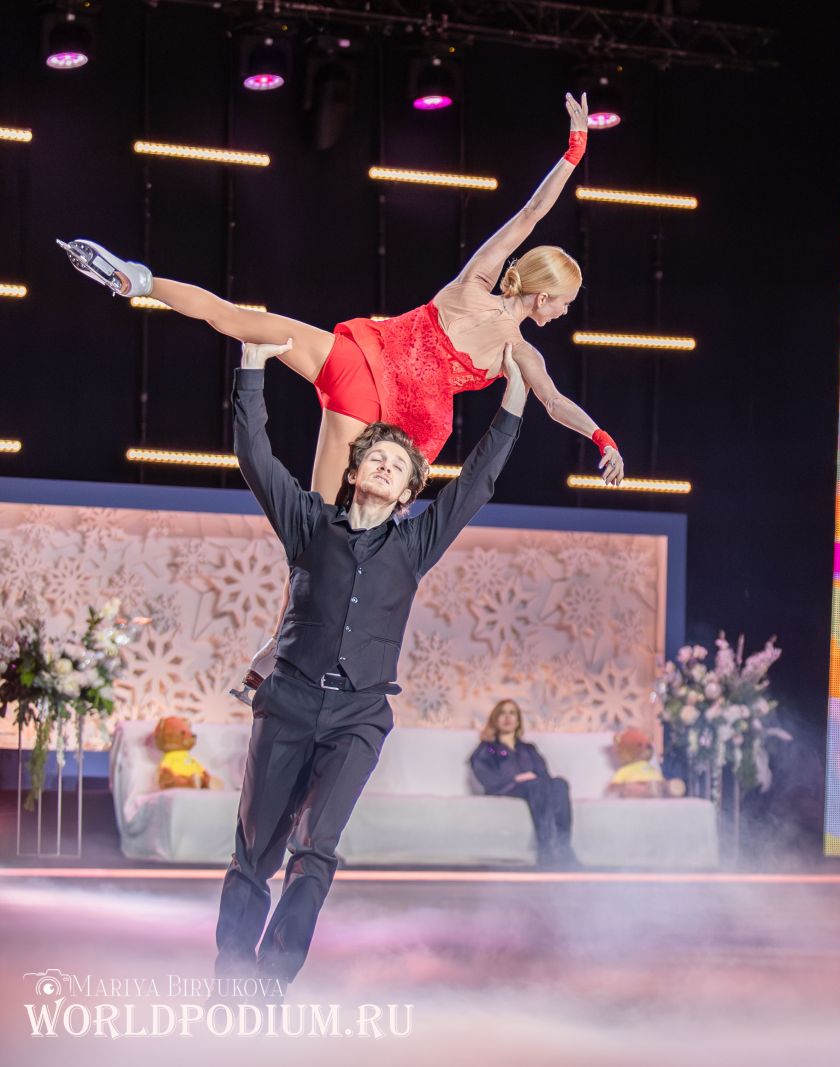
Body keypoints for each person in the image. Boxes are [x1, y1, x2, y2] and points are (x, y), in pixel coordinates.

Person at [59, 91, 622, 700]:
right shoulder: (517, 349)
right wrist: (601, 438)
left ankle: (138, 279)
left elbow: (530, 216)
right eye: (565, 303)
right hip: (390, 424)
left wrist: (573, 152)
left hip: (356, 365)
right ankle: (274, 654)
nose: (564, 313)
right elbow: (554, 400)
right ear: (544, 296)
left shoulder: (477, 283)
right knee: (321, 539)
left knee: (242, 323)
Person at [214, 337, 527, 991]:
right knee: (255, 851)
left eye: (397, 464)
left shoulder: (415, 544)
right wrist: (251, 367)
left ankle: (272, 979)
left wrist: (515, 400)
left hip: (359, 715)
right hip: (288, 700)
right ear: (355, 472)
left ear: (409, 490)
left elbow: (477, 481)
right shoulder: (308, 523)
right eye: (375, 457)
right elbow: (254, 456)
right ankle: (231, 974)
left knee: (315, 847)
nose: (385, 465)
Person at [469, 699, 580, 869]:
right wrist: (516, 779)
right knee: (536, 785)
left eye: (512, 713)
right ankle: (547, 850)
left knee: (559, 784)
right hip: (507, 788)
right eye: (502, 713)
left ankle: (563, 847)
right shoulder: (489, 748)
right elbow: (485, 775)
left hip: (534, 787)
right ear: (495, 720)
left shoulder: (528, 748)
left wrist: (534, 778)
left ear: (518, 720)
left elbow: (543, 774)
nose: (507, 717)